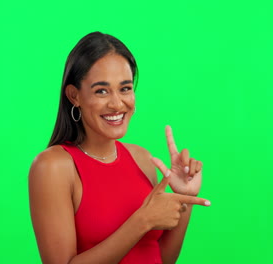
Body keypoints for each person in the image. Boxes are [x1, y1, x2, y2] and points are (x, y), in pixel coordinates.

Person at [28, 32, 211, 264]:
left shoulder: (142, 159)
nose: (117, 103)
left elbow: (159, 258)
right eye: (101, 91)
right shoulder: (53, 167)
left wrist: (183, 196)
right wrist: (142, 221)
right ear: (74, 96)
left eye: (125, 88)